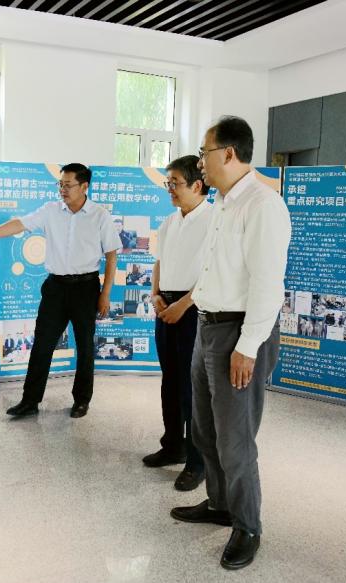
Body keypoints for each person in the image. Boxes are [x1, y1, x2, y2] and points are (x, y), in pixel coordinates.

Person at [170, 116, 291, 570]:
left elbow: (268, 283)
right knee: (204, 429)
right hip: (209, 327)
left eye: (204, 152)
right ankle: (220, 504)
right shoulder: (223, 203)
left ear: (228, 153)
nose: (200, 161)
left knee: (235, 438)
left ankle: (248, 525)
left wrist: (249, 345)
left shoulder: (263, 205)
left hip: (240, 333)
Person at [0, 163, 119, 418]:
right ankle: (30, 400)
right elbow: (19, 224)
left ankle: (81, 400)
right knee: (42, 345)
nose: (62, 190)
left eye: (68, 185)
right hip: (55, 287)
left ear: (84, 186)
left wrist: (106, 294)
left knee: (85, 347)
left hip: (86, 288)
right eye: (60, 184)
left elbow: (111, 256)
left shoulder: (100, 216)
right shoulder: (50, 210)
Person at [143, 154, 212, 492]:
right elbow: (159, 261)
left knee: (193, 388)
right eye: (167, 183)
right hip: (166, 306)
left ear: (197, 185)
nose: (169, 188)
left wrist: (183, 305)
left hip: (194, 309)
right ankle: (173, 445)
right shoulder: (169, 222)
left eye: (175, 183)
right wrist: (155, 295)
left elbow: (214, 272)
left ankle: (197, 463)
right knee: (170, 381)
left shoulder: (215, 220)